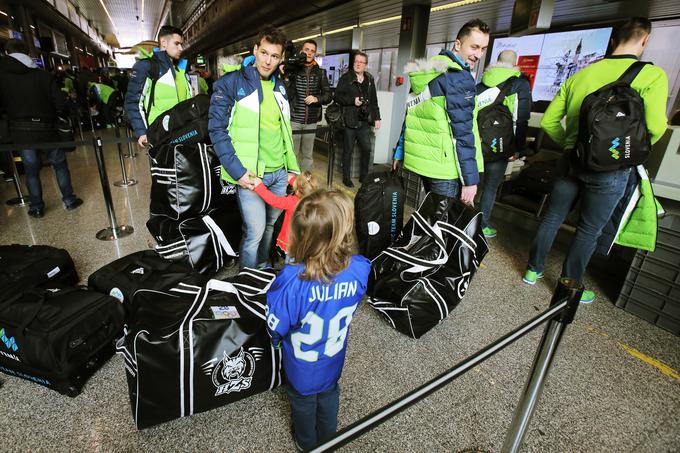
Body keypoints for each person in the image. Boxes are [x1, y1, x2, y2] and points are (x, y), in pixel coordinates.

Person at [524, 17, 668, 304]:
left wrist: (569, 142)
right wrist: (623, 150)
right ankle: (569, 287)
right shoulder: (653, 76)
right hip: (611, 169)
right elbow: (655, 127)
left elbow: (551, 121)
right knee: (589, 229)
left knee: (552, 217)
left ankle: (532, 270)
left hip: (571, 160)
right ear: (645, 40)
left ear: (612, 41)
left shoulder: (582, 74)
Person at [265, 189, 370, 451]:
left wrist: (276, 342)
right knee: (329, 395)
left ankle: (306, 443)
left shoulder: (291, 281)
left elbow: (276, 325)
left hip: (301, 368)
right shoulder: (360, 268)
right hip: (333, 359)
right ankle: (328, 439)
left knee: (303, 404)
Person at [208, 25, 300, 270]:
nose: (268, 61)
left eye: (274, 56)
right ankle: (247, 280)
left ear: (281, 59)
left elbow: (284, 132)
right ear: (255, 50)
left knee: (270, 226)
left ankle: (263, 267)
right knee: (255, 231)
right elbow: (217, 131)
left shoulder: (280, 87)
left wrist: (292, 169)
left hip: (279, 173)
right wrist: (238, 172)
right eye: (264, 53)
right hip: (250, 175)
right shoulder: (231, 83)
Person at [392, 19, 490, 205]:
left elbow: (411, 114)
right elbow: (462, 132)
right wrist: (470, 180)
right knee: (443, 227)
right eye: (474, 47)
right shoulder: (459, 77)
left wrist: (399, 151)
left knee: (431, 217)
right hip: (445, 167)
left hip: (423, 162)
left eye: (483, 49)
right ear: (458, 44)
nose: (478, 54)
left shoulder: (428, 70)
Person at [0, 39, 82, 218]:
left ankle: (37, 207)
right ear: (28, 53)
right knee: (59, 165)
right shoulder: (43, 75)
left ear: (7, 53)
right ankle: (68, 199)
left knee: (30, 170)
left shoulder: (2, 76)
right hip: (47, 128)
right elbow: (60, 102)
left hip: (20, 131)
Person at [475, 49, 532, 238]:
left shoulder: (481, 83)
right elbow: (521, 119)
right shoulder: (519, 84)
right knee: (491, 186)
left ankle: (461, 220)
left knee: (471, 183)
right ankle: (481, 226)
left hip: (477, 142)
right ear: (516, 63)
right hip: (501, 145)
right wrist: (517, 147)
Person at [125, 25, 192, 148]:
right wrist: (142, 131)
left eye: (181, 44)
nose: (181, 48)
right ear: (164, 43)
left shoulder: (181, 69)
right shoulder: (147, 67)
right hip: (160, 135)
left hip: (185, 133)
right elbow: (133, 102)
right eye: (177, 44)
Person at [334, 51, 381, 187]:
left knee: (366, 149)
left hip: (364, 121)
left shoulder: (370, 80)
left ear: (366, 65)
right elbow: (337, 97)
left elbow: (374, 100)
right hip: (349, 120)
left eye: (361, 62)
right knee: (348, 150)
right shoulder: (346, 78)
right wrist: (352, 101)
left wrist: (377, 118)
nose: (358, 64)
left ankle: (363, 177)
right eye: (356, 61)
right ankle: (346, 177)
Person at [286, 40, 331, 171]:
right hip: (294, 118)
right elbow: (286, 92)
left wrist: (317, 98)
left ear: (315, 54)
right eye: (307, 49)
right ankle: (292, 182)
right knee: (292, 154)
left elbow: (328, 95)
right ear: (302, 51)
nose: (309, 53)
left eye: (312, 51)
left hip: (311, 121)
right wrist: (287, 74)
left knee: (307, 155)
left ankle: (306, 184)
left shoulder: (320, 72)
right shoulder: (293, 70)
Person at [253, 170, 319, 256]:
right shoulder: (316, 201)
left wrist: (259, 187)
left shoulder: (292, 202)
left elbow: (274, 200)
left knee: (291, 263)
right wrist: (292, 180)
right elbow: (305, 186)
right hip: (306, 242)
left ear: (298, 191)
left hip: (291, 242)